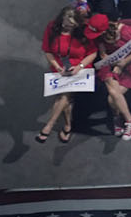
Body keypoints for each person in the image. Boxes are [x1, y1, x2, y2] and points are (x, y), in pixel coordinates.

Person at [37, 8, 98, 143]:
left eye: (72, 26)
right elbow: (47, 51)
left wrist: (79, 67)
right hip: (59, 65)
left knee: (64, 95)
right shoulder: (52, 27)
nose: (69, 28)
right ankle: (67, 125)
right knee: (66, 98)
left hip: (79, 67)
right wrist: (57, 66)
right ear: (61, 21)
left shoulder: (83, 31)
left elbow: (93, 53)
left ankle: (49, 125)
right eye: (66, 25)